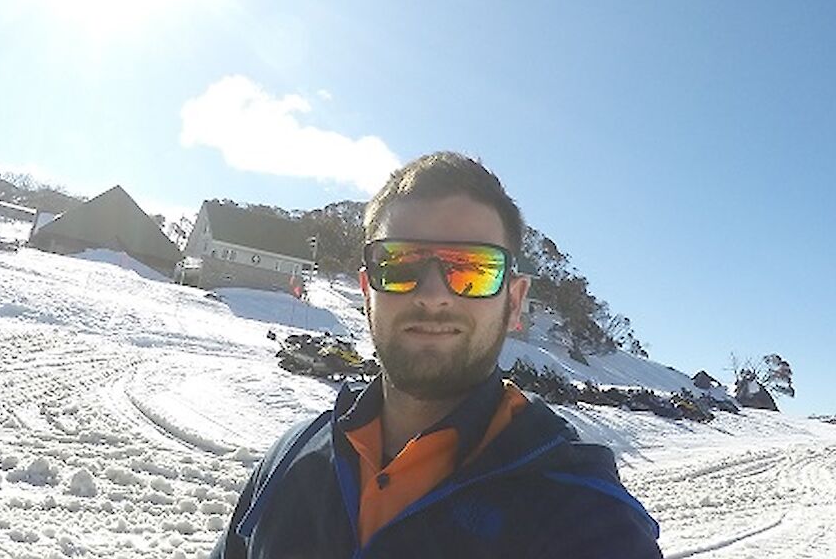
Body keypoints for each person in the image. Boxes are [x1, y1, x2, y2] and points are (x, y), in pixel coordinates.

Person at [211, 152, 661, 558]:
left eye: (472, 270)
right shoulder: (289, 458)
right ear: (368, 290)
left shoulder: (585, 515)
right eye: (401, 265)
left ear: (515, 301)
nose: (432, 296)